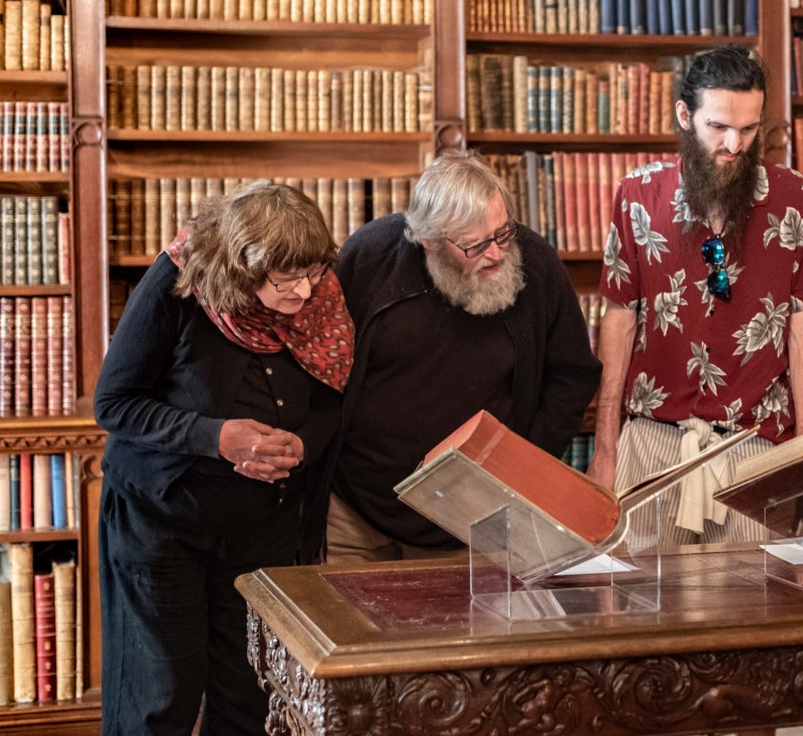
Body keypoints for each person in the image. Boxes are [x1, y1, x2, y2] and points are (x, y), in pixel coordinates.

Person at [94, 181, 351, 735]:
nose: (305, 293)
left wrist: (303, 443)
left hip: (264, 532)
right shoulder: (177, 283)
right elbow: (114, 405)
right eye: (286, 280)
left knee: (250, 696)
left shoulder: (320, 291)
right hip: (164, 527)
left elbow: (333, 400)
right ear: (242, 267)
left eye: (312, 273)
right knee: (161, 698)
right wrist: (217, 437)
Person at [588, 44, 803, 544]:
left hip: (757, 447)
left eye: (748, 129)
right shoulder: (637, 195)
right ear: (685, 115)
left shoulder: (798, 199)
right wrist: (605, 448)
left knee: (755, 609)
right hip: (651, 444)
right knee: (640, 606)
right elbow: (619, 317)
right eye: (718, 127)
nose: (734, 145)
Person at [322, 149, 601, 562]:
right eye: (475, 245)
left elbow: (572, 376)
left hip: (472, 522)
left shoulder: (536, 265)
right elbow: (324, 362)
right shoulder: (371, 256)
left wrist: (519, 466)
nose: (496, 253)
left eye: (503, 232)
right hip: (355, 512)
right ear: (428, 241)